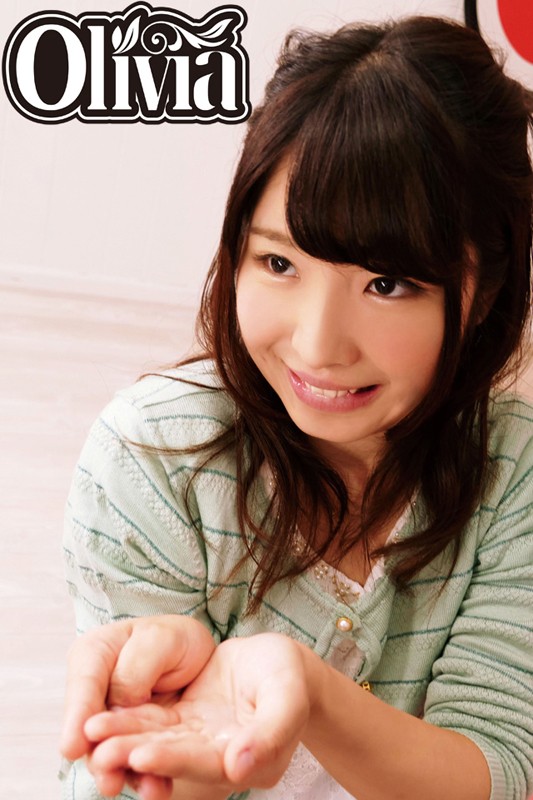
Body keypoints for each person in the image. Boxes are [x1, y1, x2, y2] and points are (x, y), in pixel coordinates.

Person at [60, 14, 533, 800]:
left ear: (482, 292)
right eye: (278, 262)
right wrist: (184, 757)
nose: (317, 346)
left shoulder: (512, 469)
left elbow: (502, 770)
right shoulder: (153, 458)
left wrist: (305, 689)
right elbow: (122, 771)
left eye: (386, 283)